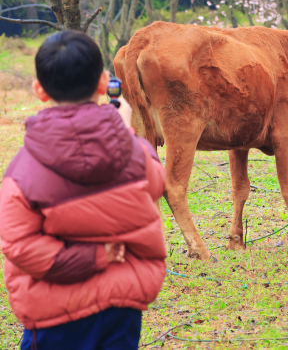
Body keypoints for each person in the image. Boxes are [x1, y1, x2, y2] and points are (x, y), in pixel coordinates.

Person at [0, 31, 166, 350]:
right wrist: (125, 133)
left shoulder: (22, 171)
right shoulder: (135, 152)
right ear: (104, 84)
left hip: (54, 316)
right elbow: (155, 183)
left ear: (39, 90)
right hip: (122, 305)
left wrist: (90, 257)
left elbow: (20, 246)